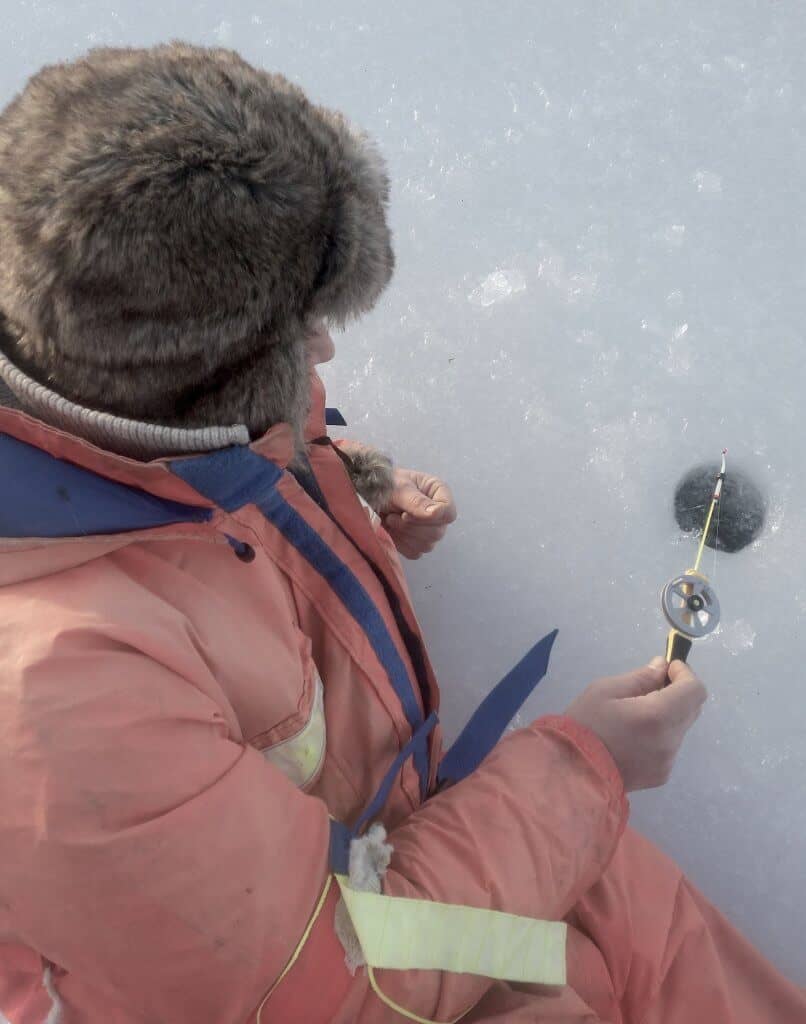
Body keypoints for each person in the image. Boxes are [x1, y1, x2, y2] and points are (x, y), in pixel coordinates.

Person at [0, 42, 801, 1024]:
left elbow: (199, 487)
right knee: (557, 986)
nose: (325, 348)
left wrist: (350, 480)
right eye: (294, 333)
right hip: (326, 969)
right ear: (185, 376)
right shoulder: (55, 697)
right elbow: (337, 984)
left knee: (614, 903)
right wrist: (582, 765)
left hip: (350, 873)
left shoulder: (101, 395)